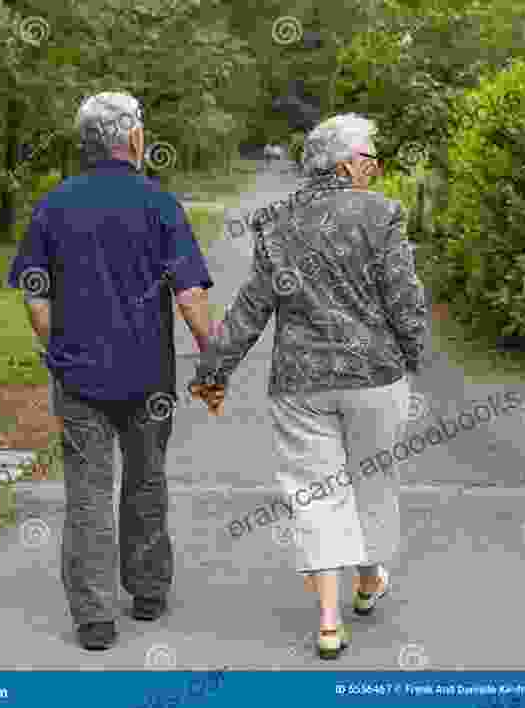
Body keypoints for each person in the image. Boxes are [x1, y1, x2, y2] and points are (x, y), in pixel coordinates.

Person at [189, 113, 428, 660]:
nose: (378, 168)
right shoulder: (384, 214)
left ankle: (327, 621)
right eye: (372, 158)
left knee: (315, 493)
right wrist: (414, 355)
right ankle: (368, 582)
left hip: (299, 383)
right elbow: (404, 299)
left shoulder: (276, 223)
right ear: (347, 163)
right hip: (375, 378)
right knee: (372, 480)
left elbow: (252, 307)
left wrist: (213, 373)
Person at [7, 91, 218, 651]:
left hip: (78, 378)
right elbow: (191, 291)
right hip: (148, 376)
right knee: (146, 480)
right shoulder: (160, 205)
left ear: (87, 142)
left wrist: (60, 346)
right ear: (135, 139)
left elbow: (34, 292)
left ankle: (95, 618)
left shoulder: (53, 205)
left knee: (88, 492)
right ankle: (147, 591)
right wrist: (213, 356)